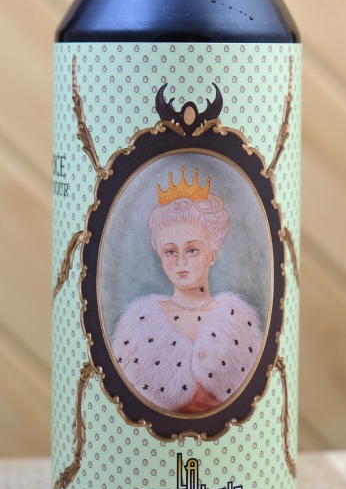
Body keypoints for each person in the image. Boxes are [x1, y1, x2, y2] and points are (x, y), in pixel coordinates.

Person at [111, 167, 263, 414]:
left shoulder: (238, 320)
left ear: (212, 253)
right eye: (170, 251)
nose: (181, 261)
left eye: (192, 250)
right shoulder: (138, 323)